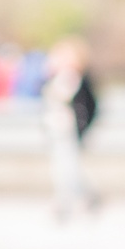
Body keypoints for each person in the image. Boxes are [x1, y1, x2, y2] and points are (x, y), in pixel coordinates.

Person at [42, 37, 99, 218]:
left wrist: (82, 127)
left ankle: (72, 200)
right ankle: (71, 199)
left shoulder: (74, 79)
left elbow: (87, 106)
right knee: (61, 166)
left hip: (69, 129)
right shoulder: (57, 77)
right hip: (56, 127)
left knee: (68, 166)